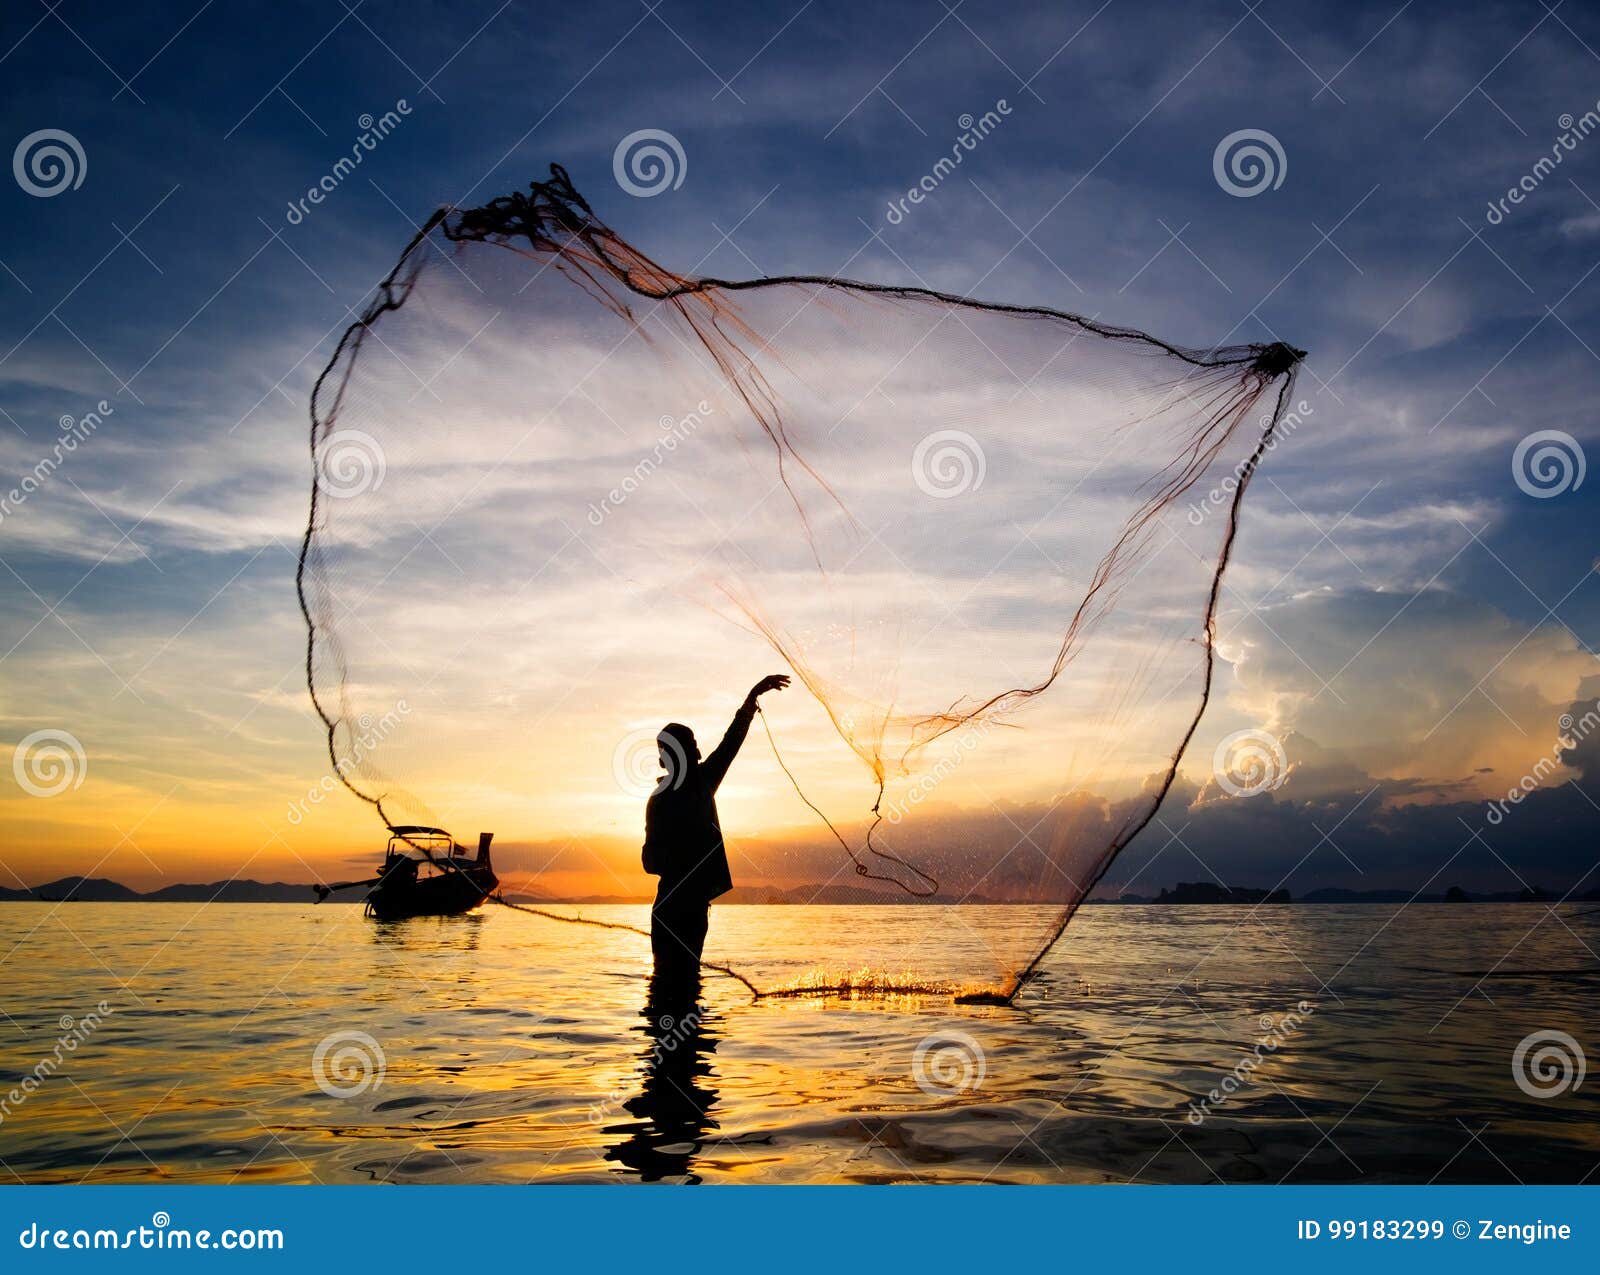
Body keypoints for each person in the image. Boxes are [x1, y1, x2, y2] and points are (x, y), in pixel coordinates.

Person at [642, 674, 790, 984]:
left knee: (668, 985)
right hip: (683, 907)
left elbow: (650, 862)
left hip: (675, 906)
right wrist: (750, 699)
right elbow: (649, 862)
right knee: (682, 983)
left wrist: (751, 701)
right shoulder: (696, 786)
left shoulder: (673, 794)